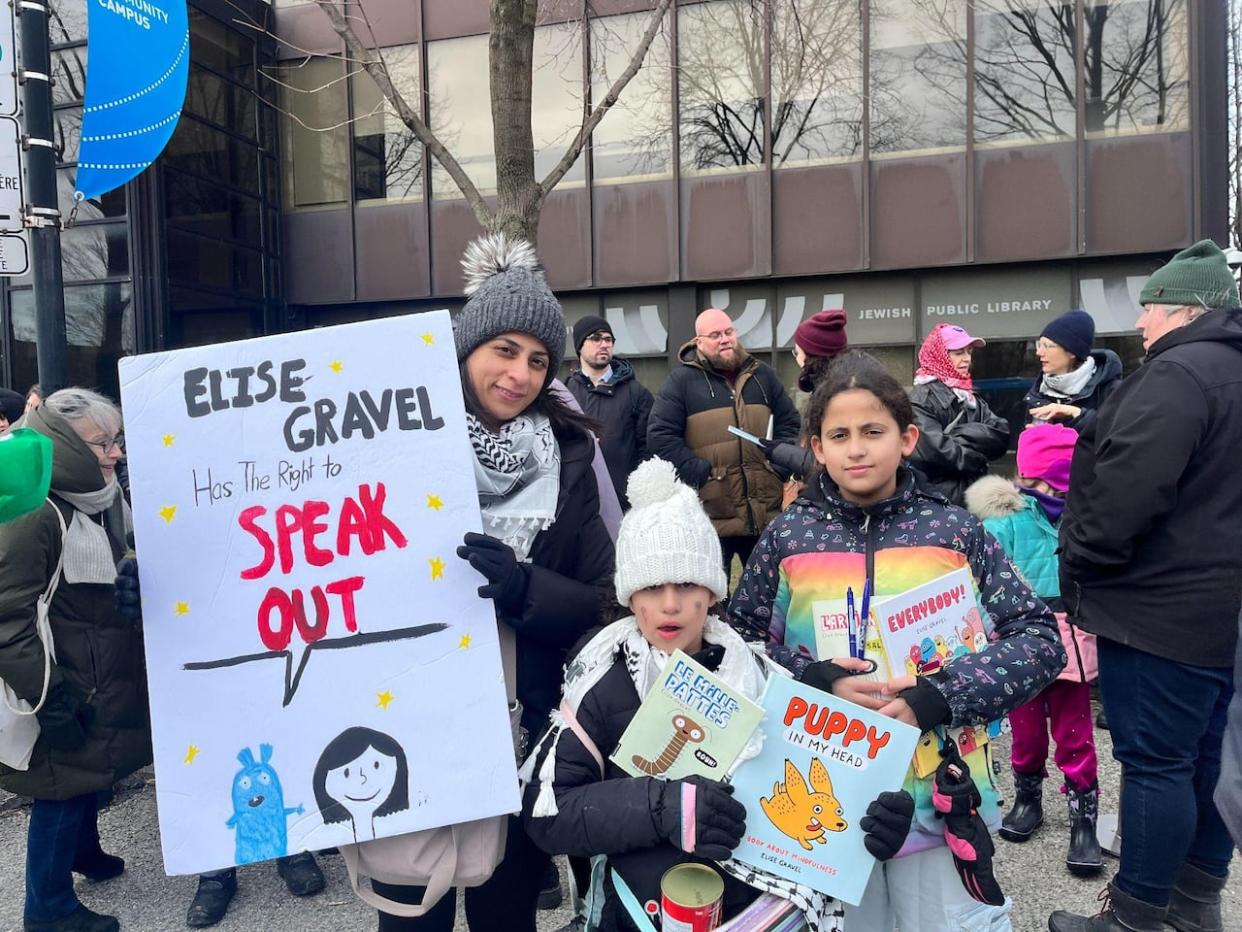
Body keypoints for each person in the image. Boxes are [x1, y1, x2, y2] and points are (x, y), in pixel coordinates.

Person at [729, 354, 1065, 931]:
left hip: (939, 792)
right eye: (839, 435)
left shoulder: (954, 532)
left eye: (873, 431)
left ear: (907, 439)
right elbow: (737, 646)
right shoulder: (788, 538)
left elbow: (1038, 638)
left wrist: (943, 693)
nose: (856, 448)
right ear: (817, 449)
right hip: (826, 799)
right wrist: (812, 679)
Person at [524, 458, 914, 931]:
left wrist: (870, 828)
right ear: (629, 596)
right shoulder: (601, 683)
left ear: (712, 592)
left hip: (760, 913)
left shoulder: (762, 676)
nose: (670, 604)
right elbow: (547, 810)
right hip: (640, 912)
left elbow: (812, 795)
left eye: (687, 583)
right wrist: (664, 806)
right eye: (651, 586)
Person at [371, 232, 615, 932]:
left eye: (539, 360)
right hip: (412, 725)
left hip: (525, 734)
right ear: (465, 350)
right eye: (504, 351)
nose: (521, 374)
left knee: (507, 917)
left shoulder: (569, 456)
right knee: (410, 915)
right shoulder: (394, 446)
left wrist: (524, 588)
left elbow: (604, 600)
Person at [1050, 240, 1242, 932]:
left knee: (1157, 764)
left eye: (1151, 309)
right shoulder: (1227, 371)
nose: (1141, 324)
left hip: (1158, 612)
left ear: (1187, 308)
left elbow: (1128, 492)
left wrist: (1082, 558)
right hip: (1222, 613)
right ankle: (1195, 905)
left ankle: (1133, 919)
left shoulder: (1178, 375)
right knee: (1211, 759)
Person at [0, 389, 152, 932]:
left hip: (92, 668)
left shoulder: (94, 496)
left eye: (118, 441)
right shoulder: (33, 510)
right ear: (63, 446)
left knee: (89, 768)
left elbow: (121, 557)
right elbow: (6, 618)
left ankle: (84, 853)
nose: (116, 454)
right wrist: (51, 698)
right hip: (58, 679)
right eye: (102, 444)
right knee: (60, 787)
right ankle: (48, 910)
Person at [965, 423, 1102, 876]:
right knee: (1024, 733)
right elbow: (981, 582)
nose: (1049, 489)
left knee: (1075, 733)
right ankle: (1028, 796)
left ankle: (1084, 814)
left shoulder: (1085, 516)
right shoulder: (1004, 524)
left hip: (1073, 643)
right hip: (1021, 647)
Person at [647, 307, 800, 576]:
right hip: (712, 514)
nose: (725, 339)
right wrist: (701, 474)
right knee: (714, 597)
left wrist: (778, 466)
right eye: (715, 335)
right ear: (699, 342)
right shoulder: (681, 381)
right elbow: (660, 437)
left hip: (763, 511)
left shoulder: (761, 375)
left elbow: (789, 421)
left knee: (772, 593)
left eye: (729, 332)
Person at [907, 323, 1010, 506]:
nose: (967, 359)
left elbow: (1001, 434)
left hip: (975, 500)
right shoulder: (921, 399)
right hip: (937, 503)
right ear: (939, 355)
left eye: (969, 352)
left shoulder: (970, 396)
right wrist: (980, 456)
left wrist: (957, 437)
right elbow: (937, 452)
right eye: (958, 353)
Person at [564, 314, 654, 510]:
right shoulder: (564, 392)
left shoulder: (636, 393)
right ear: (579, 345)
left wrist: (635, 492)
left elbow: (647, 449)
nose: (604, 344)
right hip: (575, 502)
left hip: (624, 504)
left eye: (608, 339)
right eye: (596, 338)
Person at [757, 309, 850, 490]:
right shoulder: (838, 387)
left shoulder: (836, 397)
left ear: (810, 355)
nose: (796, 359)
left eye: (797, 352)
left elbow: (830, 462)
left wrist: (779, 451)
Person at [1024, 309, 1123, 429]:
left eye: (1048, 346)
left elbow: (1118, 433)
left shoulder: (1110, 390)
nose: (1039, 352)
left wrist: (1076, 413)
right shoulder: (1038, 394)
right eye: (1039, 345)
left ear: (1072, 352)